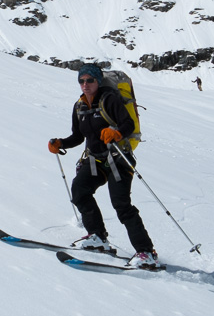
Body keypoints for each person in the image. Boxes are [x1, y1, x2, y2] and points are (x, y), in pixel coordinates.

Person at [48, 64, 159, 269]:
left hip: (118, 158)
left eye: (90, 80)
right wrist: (61, 143)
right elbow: (78, 136)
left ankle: (146, 252)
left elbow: (128, 125)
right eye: (82, 81)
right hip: (94, 160)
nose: (85, 84)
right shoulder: (79, 106)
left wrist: (116, 133)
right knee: (80, 192)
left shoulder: (110, 99)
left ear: (98, 81)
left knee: (121, 205)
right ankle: (98, 237)